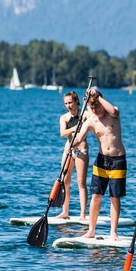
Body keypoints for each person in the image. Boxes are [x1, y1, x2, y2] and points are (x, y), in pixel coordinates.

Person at [72, 89, 126, 239]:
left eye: (97, 106)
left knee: (114, 197)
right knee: (96, 196)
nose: (95, 110)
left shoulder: (113, 114)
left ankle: (113, 232)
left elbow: (114, 111)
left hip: (118, 160)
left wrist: (97, 96)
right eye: (92, 107)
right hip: (101, 160)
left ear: (102, 102)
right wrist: (72, 145)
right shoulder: (90, 121)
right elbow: (79, 138)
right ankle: (91, 231)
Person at [56, 91, 89, 219]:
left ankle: (82, 214)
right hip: (68, 150)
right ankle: (65, 212)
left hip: (81, 150)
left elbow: (94, 116)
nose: (68, 105)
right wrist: (75, 128)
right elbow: (62, 133)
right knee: (65, 181)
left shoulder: (85, 115)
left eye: (70, 102)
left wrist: (89, 100)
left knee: (81, 182)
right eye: (66, 103)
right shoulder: (63, 118)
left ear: (76, 102)